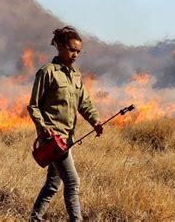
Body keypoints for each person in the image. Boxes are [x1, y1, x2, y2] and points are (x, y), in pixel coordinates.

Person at [27, 26, 103, 221]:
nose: (75, 54)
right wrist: (43, 128)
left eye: (78, 51)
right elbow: (34, 106)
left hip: (67, 139)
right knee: (72, 182)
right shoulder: (47, 72)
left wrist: (95, 120)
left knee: (53, 184)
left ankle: (35, 218)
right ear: (60, 46)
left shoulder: (76, 75)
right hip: (53, 139)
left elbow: (84, 103)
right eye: (72, 49)